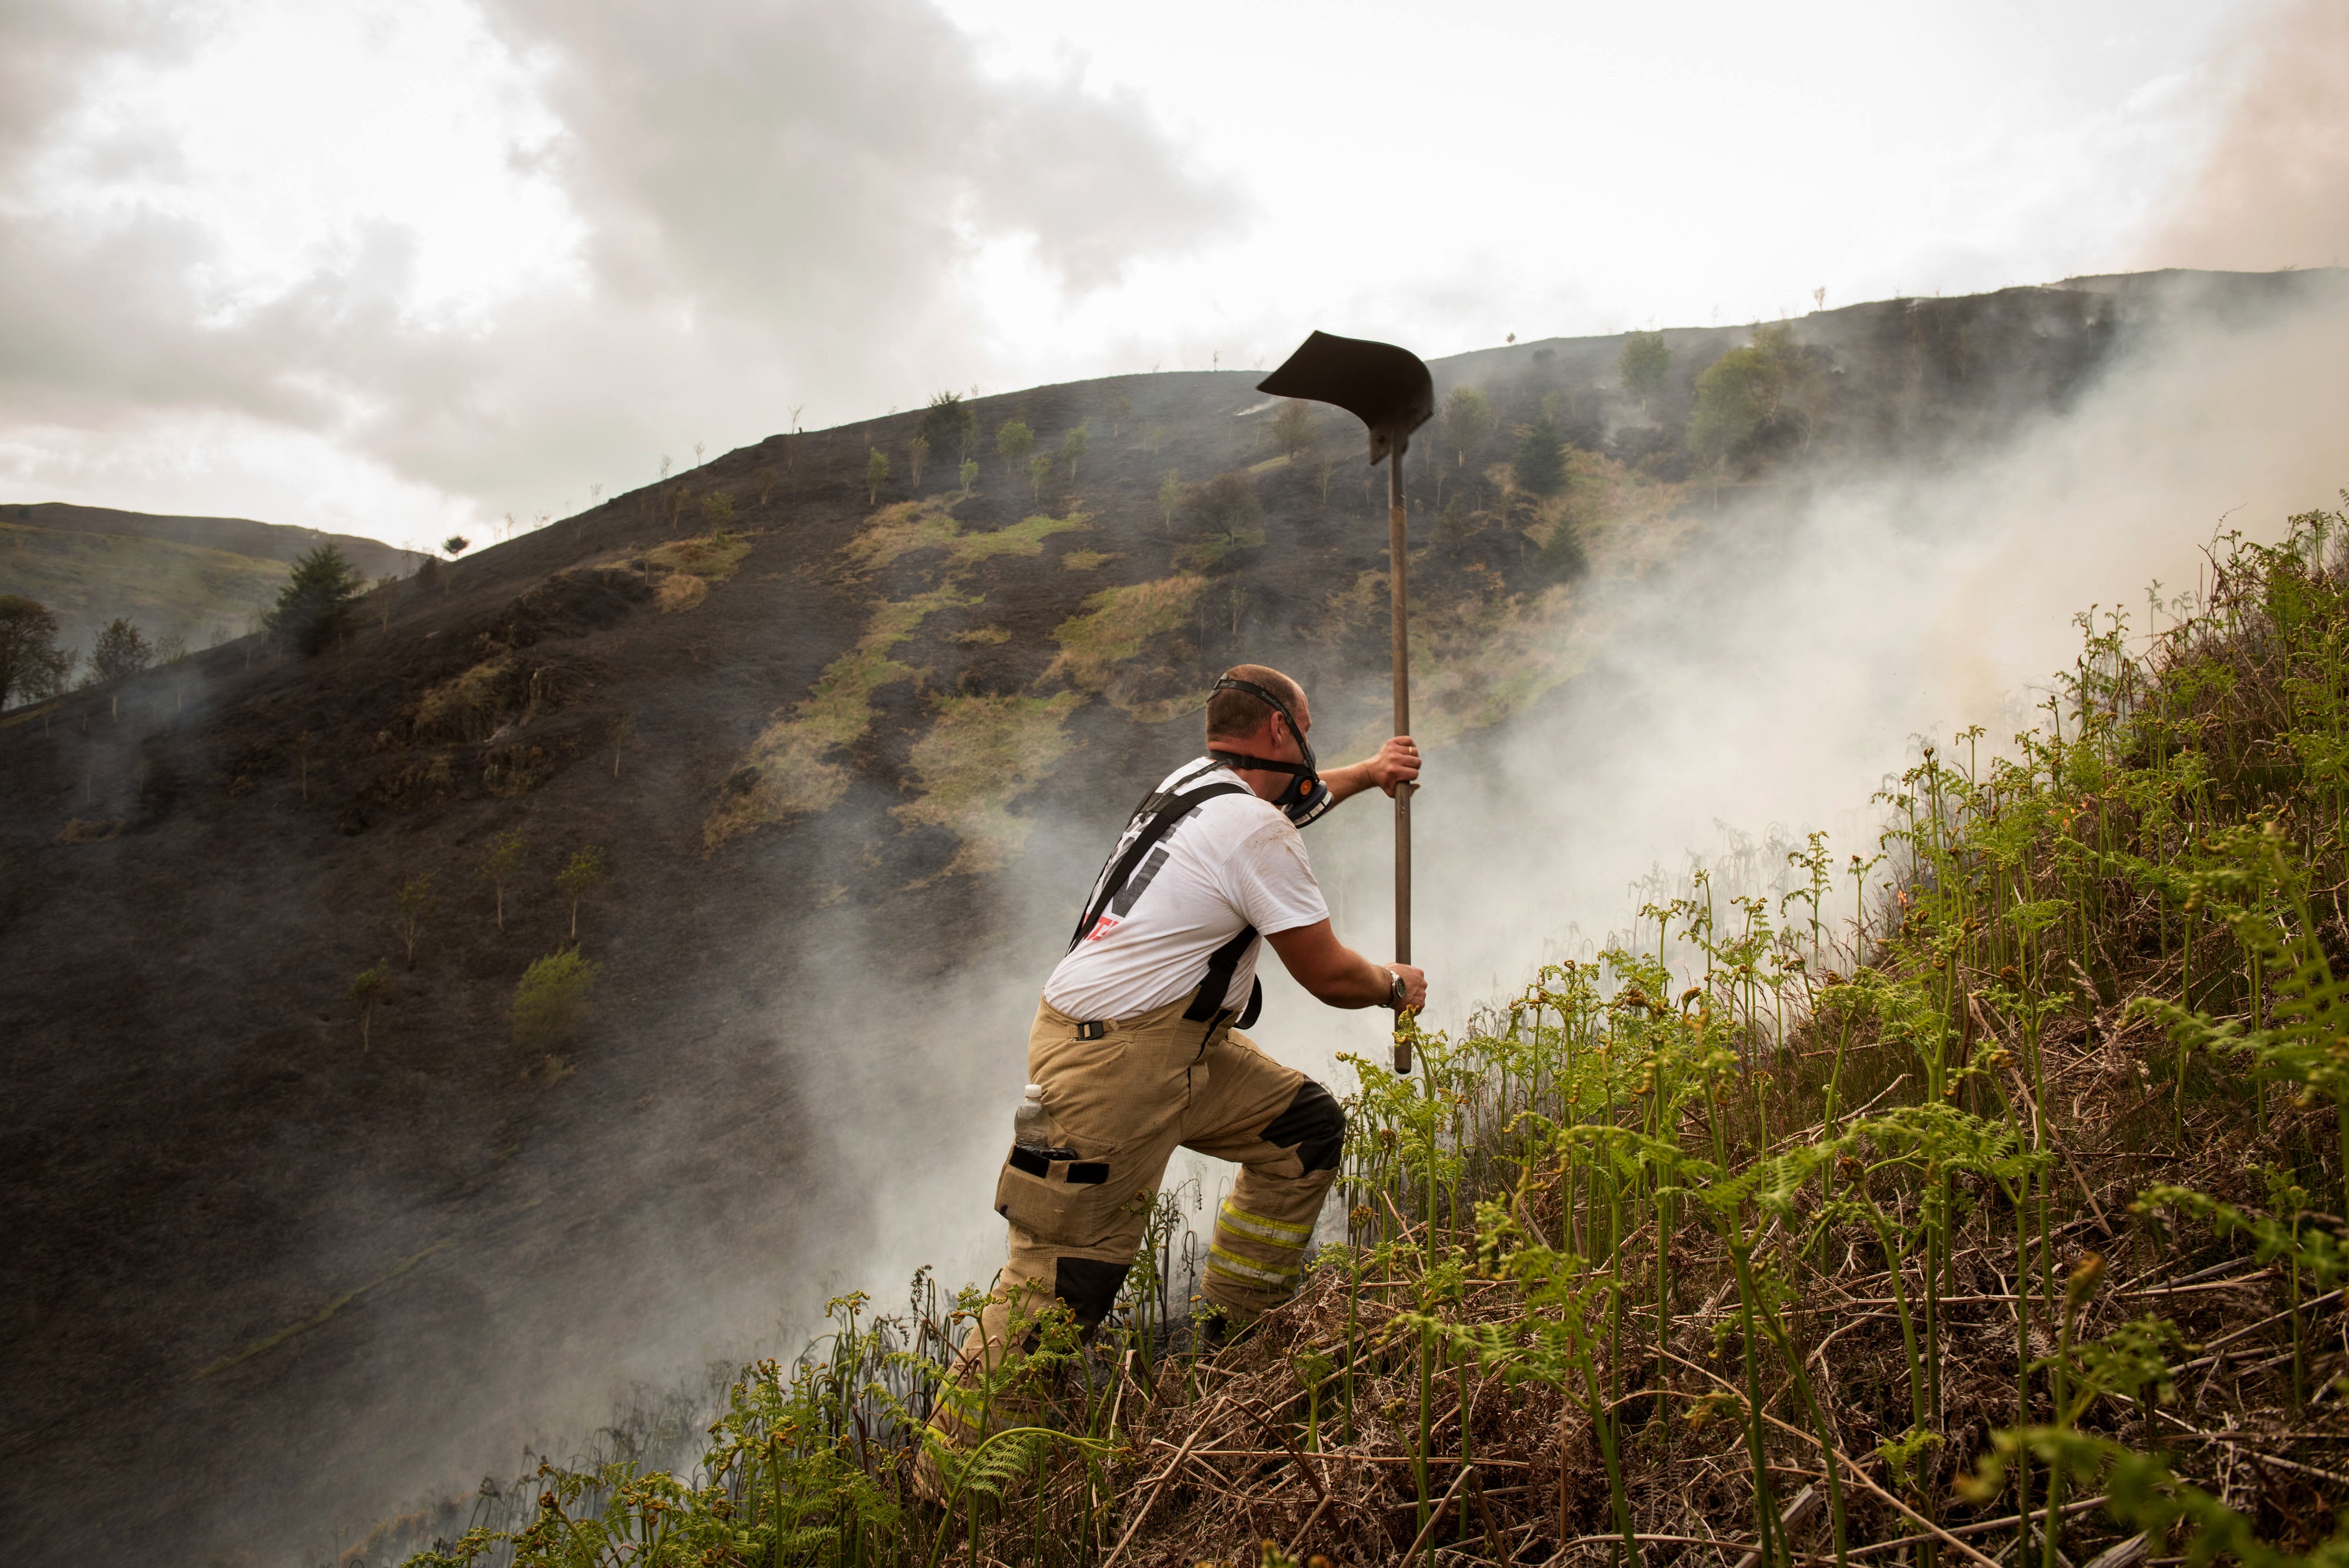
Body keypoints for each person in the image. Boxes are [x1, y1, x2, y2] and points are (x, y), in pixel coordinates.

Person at [924, 663, 1426, 1472]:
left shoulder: (1199, 784)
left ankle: (1233, 1344)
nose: (1310, 743)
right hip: (1113, 1063)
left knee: (1303, 1130)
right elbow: (1328, 973)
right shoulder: (1251, 830)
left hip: (1172, 1050)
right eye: (1306, 726)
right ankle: (944, 1490)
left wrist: (1371, 774)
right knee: (1063, 1284)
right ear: (1278, 733)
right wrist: (1394, 987)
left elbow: (1297, 799)